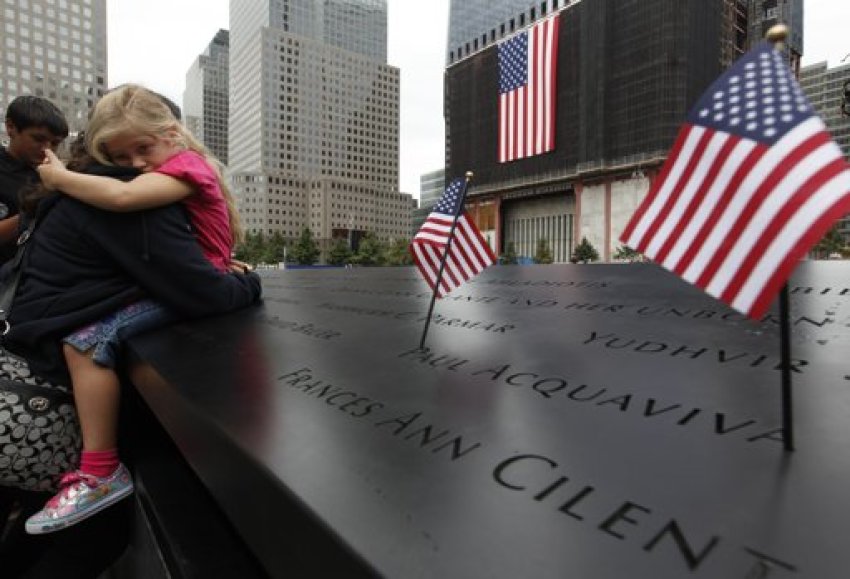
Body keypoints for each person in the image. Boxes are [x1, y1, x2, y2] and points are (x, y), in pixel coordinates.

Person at [22, 84, 250, 535]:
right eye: (121, 159)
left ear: (172, 133)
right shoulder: (175, 164)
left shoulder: (182, 166)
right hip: (200, 275)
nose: (135, 166)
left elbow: (123, 198)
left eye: (142, 149)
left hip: (199, 281)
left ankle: (102, 470)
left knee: (86, 342)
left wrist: (62, 178)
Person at [0, 96, 68, 263]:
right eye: (38, 139)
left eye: (55, 143)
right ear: (11, 128)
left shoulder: (53, 174)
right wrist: (37, 210)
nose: (47, 149)